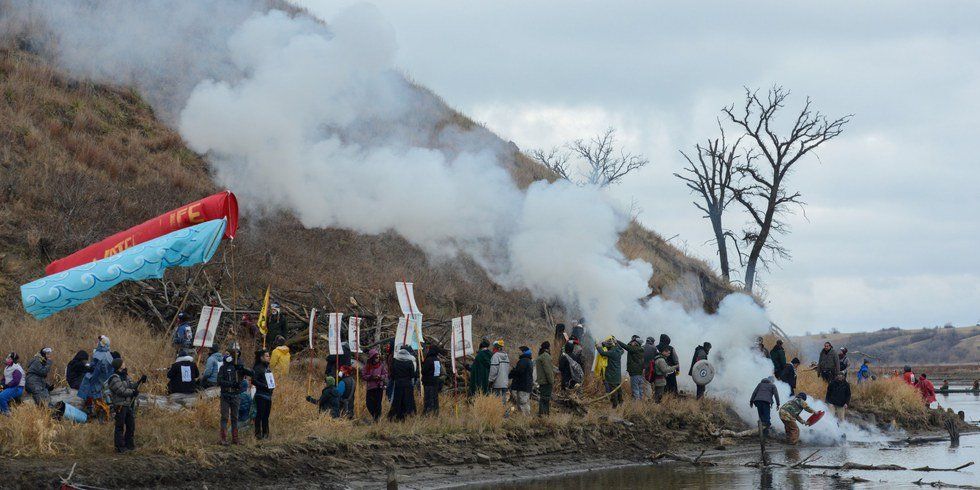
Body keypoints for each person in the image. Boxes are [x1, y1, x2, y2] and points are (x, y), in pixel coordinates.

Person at [106, 358, 145, 453]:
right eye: (123, 363)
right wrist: (133, 392)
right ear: (119, 366)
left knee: (131, 425)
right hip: (120, 405)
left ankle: (129, 445)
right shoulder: (114, 378)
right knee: (120, 427)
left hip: (127, 405)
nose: (124, 364)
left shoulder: (125, 376)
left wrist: (140, 381)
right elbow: (121, 391)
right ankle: (120, 448)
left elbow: (132, 386)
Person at [217, 347, 251, 445]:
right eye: (225, 353)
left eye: (228, 354)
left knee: (235, 417)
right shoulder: (223, 368)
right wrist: (231, 384)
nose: (226, 355)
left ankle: (235, 438)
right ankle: (223, 438)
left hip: (235, 395)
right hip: (225, 395)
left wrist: (242, 367)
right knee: (224, 416)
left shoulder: (238, 368)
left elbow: (251, 373)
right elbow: (219, 381)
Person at [78, 336, 114, 410]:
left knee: (87, 382)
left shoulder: (102, 356)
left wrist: (92, 379)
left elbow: (98, 371)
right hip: (105, 379)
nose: (98, 343)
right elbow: (95, 364)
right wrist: (90, 365)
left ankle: (91, 408)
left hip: (100, 380)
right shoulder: (106, 353)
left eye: (100, 341)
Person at [388, 345, 417, 421]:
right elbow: (412, 375)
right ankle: (408, 415)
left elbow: (392, 374)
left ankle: (396, 416)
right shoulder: (410, 362)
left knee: (397, 400)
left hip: (398, 383)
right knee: (407, 400)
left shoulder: (395, 361)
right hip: (407, 384)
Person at [251, 349, 275, 439]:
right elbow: (253, 380)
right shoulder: (258, 367)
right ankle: (258, 434)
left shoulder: (267, 368)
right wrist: (264, 386)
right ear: (261, 358)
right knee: (260, 415)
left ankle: (266, 434)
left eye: (269, 356)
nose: (269, 357)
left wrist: (272, 387)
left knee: (266, 416)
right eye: (267, 356)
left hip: (268, 395)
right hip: (260, 395)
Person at [596, 337, 625, 408]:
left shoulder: (612, 352)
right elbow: (622, 350)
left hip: (612, 374)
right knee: (619, 389)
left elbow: (602, 353)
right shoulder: (618, 350)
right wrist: (616, 343)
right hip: (617, 374)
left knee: (613, 390)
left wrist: (598, 346)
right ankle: (621, 402)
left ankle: (614, 405)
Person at [361, 349, 388, 421]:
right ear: (372, 357)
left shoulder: (381, 366)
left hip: (379, 386)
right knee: (369, 404)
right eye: (376, 357)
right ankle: (374, 416)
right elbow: (363, 375)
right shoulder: (367, 366)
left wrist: (380, 377)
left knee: (378, 404)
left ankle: (377, 419)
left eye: (378, 357)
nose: (377, 359)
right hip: (370, 387)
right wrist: (371, 377)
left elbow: (385, 374)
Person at [509, 346, 534, 416]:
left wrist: (512, 373)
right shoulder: (529, 360)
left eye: (520, 351)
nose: (518, 353)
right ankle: (525, 418)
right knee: (524, 402)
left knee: (523, 403)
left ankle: (525, 419)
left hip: (523, 386)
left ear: (523, 352)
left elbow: (519, 372)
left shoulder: (523, 361)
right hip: (526, 386)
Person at [618, 336, 645, 400]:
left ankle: (636, 405)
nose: (631, 342)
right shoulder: (640, 349)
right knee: (640, 389)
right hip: (639, 373)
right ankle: (640, 404)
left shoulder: (635, 349)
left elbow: (627, 347)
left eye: (633, 341)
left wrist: (617, 341)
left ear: (636, 343)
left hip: (635, 373)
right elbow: (629, 347)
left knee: (635, 389)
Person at [421, 345, 444, 416]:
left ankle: (428, 413)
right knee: (434, 398)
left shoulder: (428, 360)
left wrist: (423, 365)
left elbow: (423, 371)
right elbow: (439, 372)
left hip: (428, 382)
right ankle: (435, 412)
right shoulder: (437, 360)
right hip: (435, 382)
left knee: (428, 398)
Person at [488, 341, 511, 407]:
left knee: (496, 401)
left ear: (496, 347)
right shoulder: (506, 356)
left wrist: (490, 380)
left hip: (497, 383)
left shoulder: (495, 356)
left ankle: (497, 414)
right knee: (503, 402)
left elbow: (493, 370)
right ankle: (504, 415)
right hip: (505, 382)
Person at [535, 342, 555, 416]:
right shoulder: (546, 356)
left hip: (542, 381)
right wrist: (551, 381)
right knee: (545, 400)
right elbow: (548, 371)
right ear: (548, 348)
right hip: (546, 382)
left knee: (543, 399)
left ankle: (542, 416)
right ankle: (544, 416)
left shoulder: (541, 356)